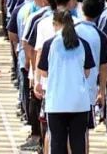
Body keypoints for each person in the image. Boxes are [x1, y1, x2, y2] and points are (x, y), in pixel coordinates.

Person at [37, 10, 96, 154]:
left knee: (56, 143)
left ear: (55, 24)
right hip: (80, 102)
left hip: (56, 102)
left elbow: (43, 72)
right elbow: (87, 72)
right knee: (78, 143)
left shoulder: (49, 44)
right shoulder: (83, 44)